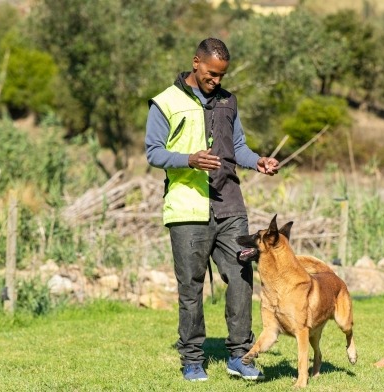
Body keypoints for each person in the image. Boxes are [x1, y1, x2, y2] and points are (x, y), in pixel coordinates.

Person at [145, 37, 279, 382]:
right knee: (190, 288)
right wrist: (188, 160)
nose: (216, 81)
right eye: (211, 73)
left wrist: (257, 161)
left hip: (230, 206)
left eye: (221, 75)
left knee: (241, 279)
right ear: (196, 62)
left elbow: (238, 147)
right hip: (187, 211)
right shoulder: (166, 102)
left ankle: (240, 355)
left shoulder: (228, 102)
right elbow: (153, 153)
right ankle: (192, 360)